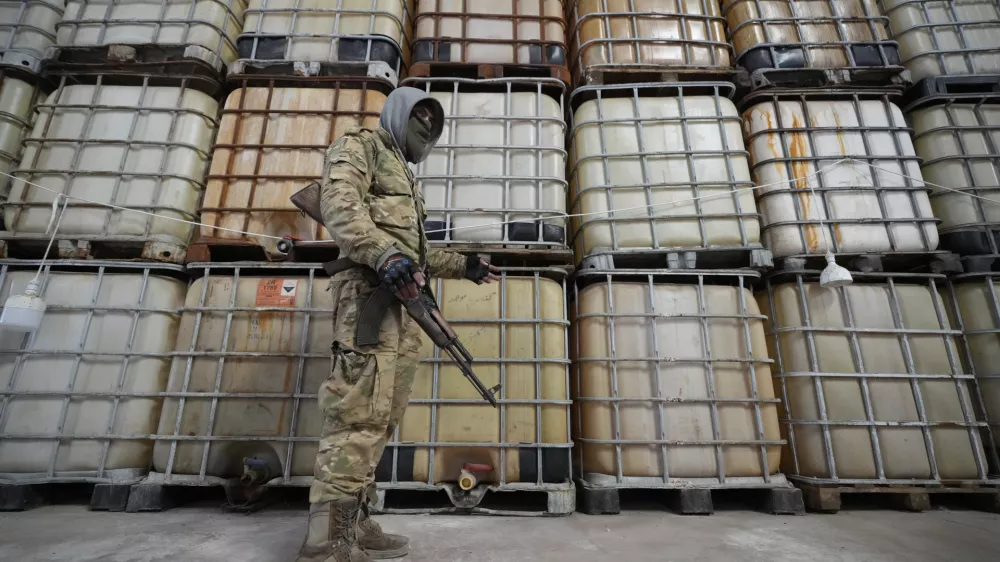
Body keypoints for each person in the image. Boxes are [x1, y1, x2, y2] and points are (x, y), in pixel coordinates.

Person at [297, 87, 500, 562]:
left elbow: (417, 255)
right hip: (369, 297)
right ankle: (325, 540)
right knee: (357, 413)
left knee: (383, 417)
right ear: (398, 111)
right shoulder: (361, 145)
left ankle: (356, 520)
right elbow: (339, 203)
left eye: (434, 121)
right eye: (419, 116)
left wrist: (464, 266)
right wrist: (382, 254)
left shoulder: (404, 175)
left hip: (402, 305)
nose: (426, 126)